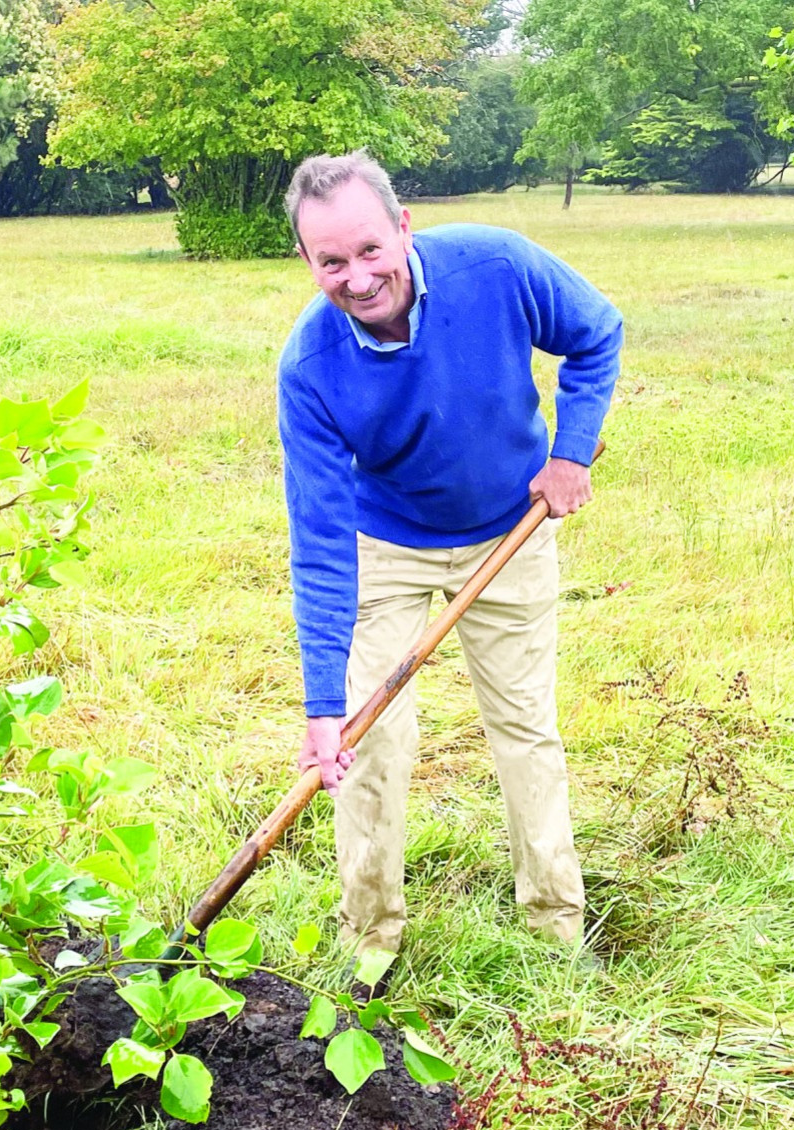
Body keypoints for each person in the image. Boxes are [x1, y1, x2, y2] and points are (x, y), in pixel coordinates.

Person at [276, 149, 623, 963]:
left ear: (403, 227)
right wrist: (324, 706)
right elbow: (321, 538)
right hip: (386, 544)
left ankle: (554, 931)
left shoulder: (495, 266)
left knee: (524, 728)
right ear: (306, 261)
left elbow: (596, 331)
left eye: (369, 250)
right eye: (331, 262)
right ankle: (370, 942)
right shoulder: (310, 368)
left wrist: (570, 453)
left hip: (510, 529)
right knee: (367, 747)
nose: (357, 278)